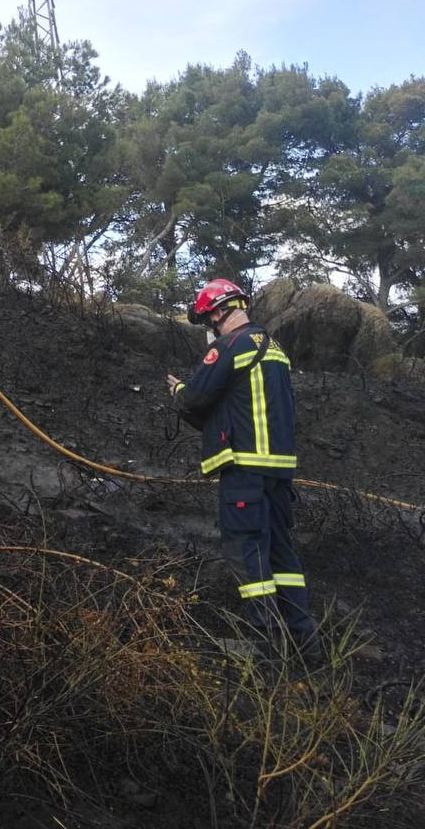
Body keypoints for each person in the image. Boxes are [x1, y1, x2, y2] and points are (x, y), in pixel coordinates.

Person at [167, 278, 318, 661]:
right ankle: (306, 643)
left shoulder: (229, 346)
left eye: (208, 321)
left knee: (248, 555)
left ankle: (266, 647)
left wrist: (177, 391)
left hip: (245, 471)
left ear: (218, 311)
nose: (210, 329)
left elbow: (196, 397)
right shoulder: (276, 350)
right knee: (283, 558)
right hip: (277, 473)